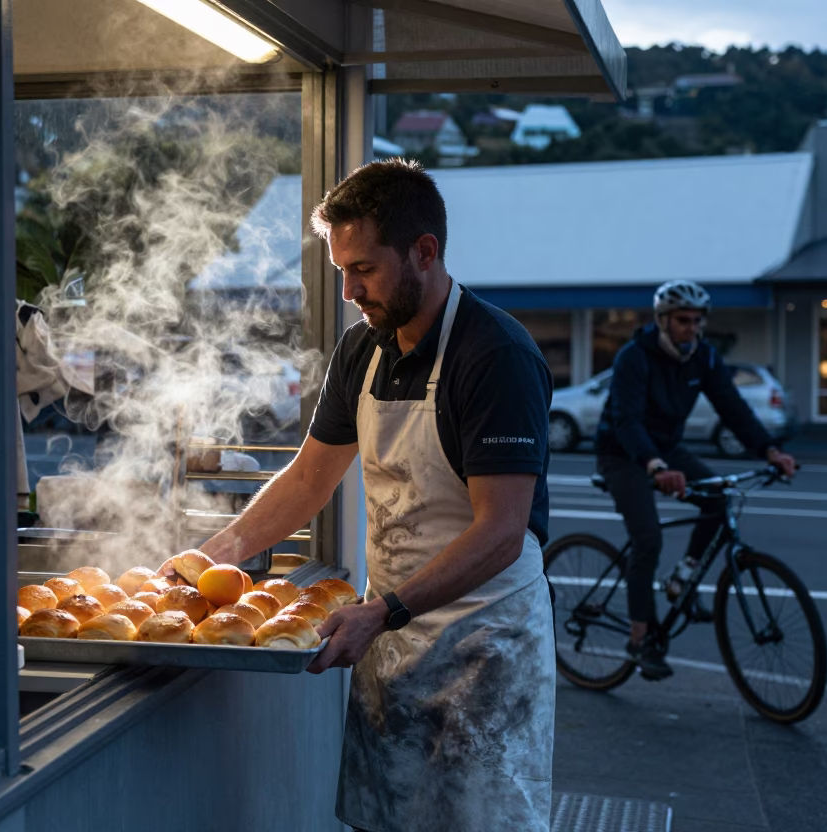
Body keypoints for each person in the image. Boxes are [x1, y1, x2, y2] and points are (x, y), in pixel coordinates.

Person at [175, 159, 557, 832]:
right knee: (387, 819)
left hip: (486, 643)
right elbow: (307, 480)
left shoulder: (494, 355)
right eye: (340, 270)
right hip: (393, 635)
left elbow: (502, 531)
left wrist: (384, 610)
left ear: (425, 252)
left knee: (475, 823)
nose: (349, 289)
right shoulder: (362, 351)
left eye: (364, 270)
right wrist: (206, 561)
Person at [595, 280, 797, 680]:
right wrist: (654, 466)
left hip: (667, 448)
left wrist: (770, 451)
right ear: (663, 321)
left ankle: (683, 578)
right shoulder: (635, 357)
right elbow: (627, 420)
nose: (691, 328)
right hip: (624, 453)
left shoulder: (702, 358)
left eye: (697, 321)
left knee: (719, 499)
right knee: (648, 539)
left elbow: (733, 408)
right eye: (683, 320)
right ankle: (639, 640)